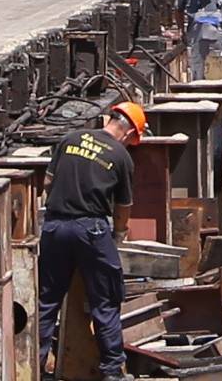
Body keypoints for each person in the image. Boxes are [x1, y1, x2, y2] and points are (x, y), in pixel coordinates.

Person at [38, 100, 145, 381]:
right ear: (131, 133)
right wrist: (119, 235)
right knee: (105, 300)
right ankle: (112, 371)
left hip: (55, 227)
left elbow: (48, 183)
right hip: (91, 230)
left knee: (47, 300)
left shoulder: (69, 139)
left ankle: (32, 365)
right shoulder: (121, 156)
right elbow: (123, 207)